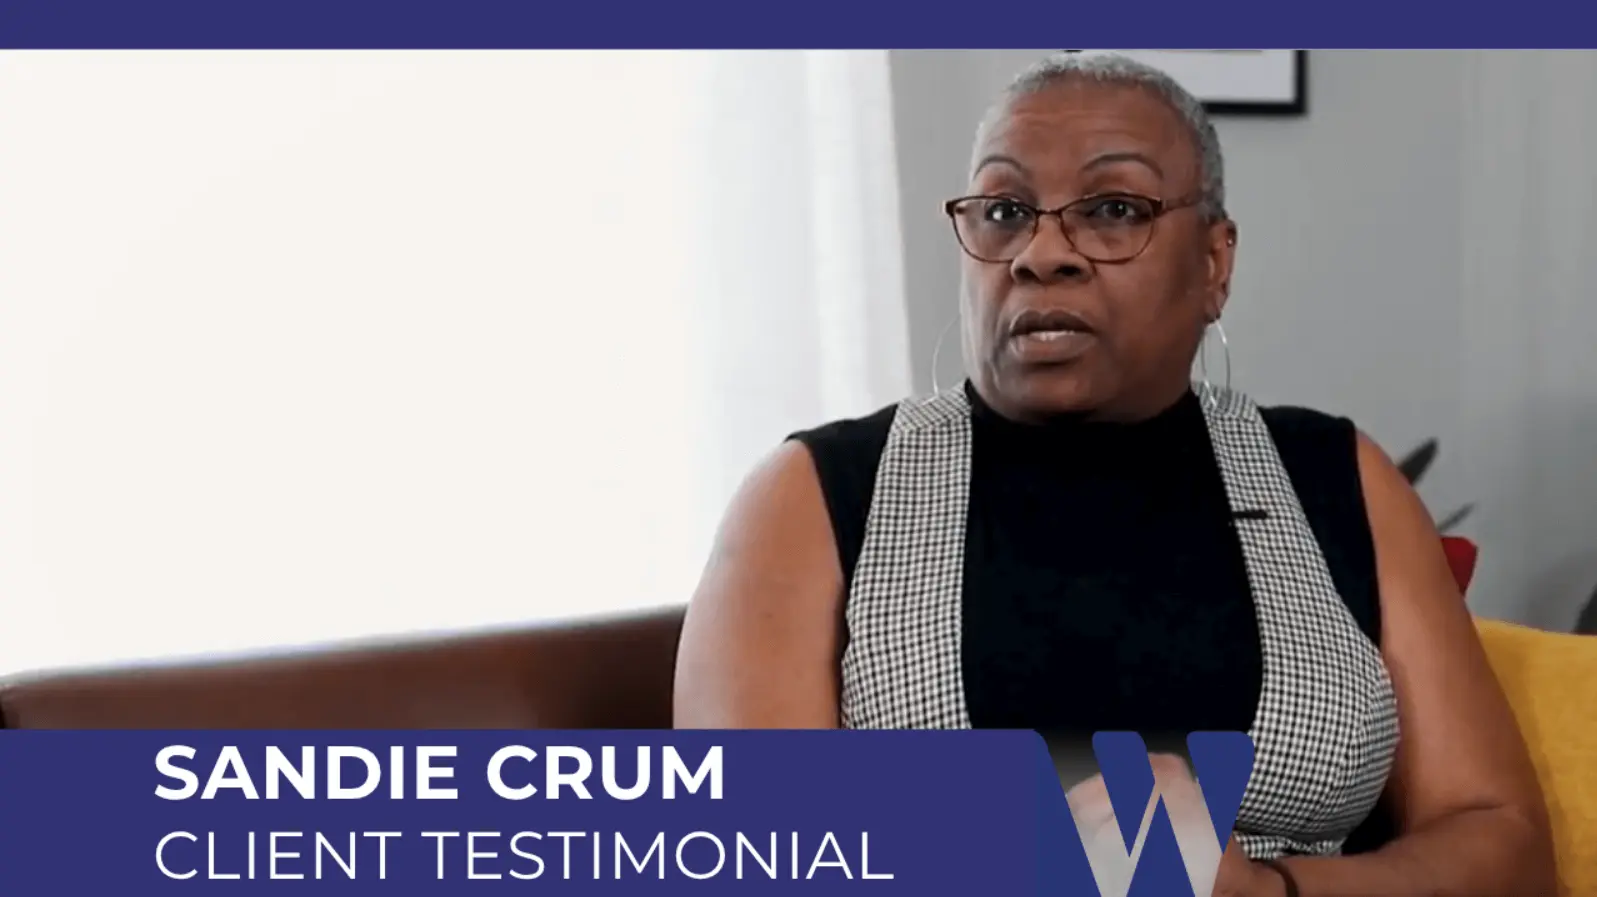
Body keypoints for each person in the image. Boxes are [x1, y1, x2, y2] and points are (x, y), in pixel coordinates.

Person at [673, 52, 1555, 896]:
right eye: (1003, 210)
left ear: (1213, 264)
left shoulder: (1335, 474)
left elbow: (1499, 839)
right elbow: (750, 853)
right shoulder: (815, 492)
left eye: (1113, 209)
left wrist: (1271, 889)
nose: (1039, 253)